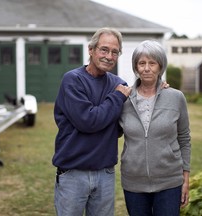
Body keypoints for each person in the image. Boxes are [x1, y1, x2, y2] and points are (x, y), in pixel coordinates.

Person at [52, 27, 132, 216]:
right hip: (73, 173)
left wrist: (159, 87)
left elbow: (124, 124)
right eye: (104, 49)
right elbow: (87, 121)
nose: (109, 56)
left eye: (115, 52)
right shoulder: (73, 80)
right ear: (91, 50)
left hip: (105, 173)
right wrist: (115, 99)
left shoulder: (118, 84)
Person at [119, 40, 191, 216]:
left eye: (152, 63)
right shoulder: (123, 99)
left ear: (160, 66)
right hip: (133, 182)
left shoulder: (176, 97)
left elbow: (184, 138)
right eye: (141, 63)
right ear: (136, 66)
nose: (146, 68)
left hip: (169, 182)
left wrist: (186, 179)